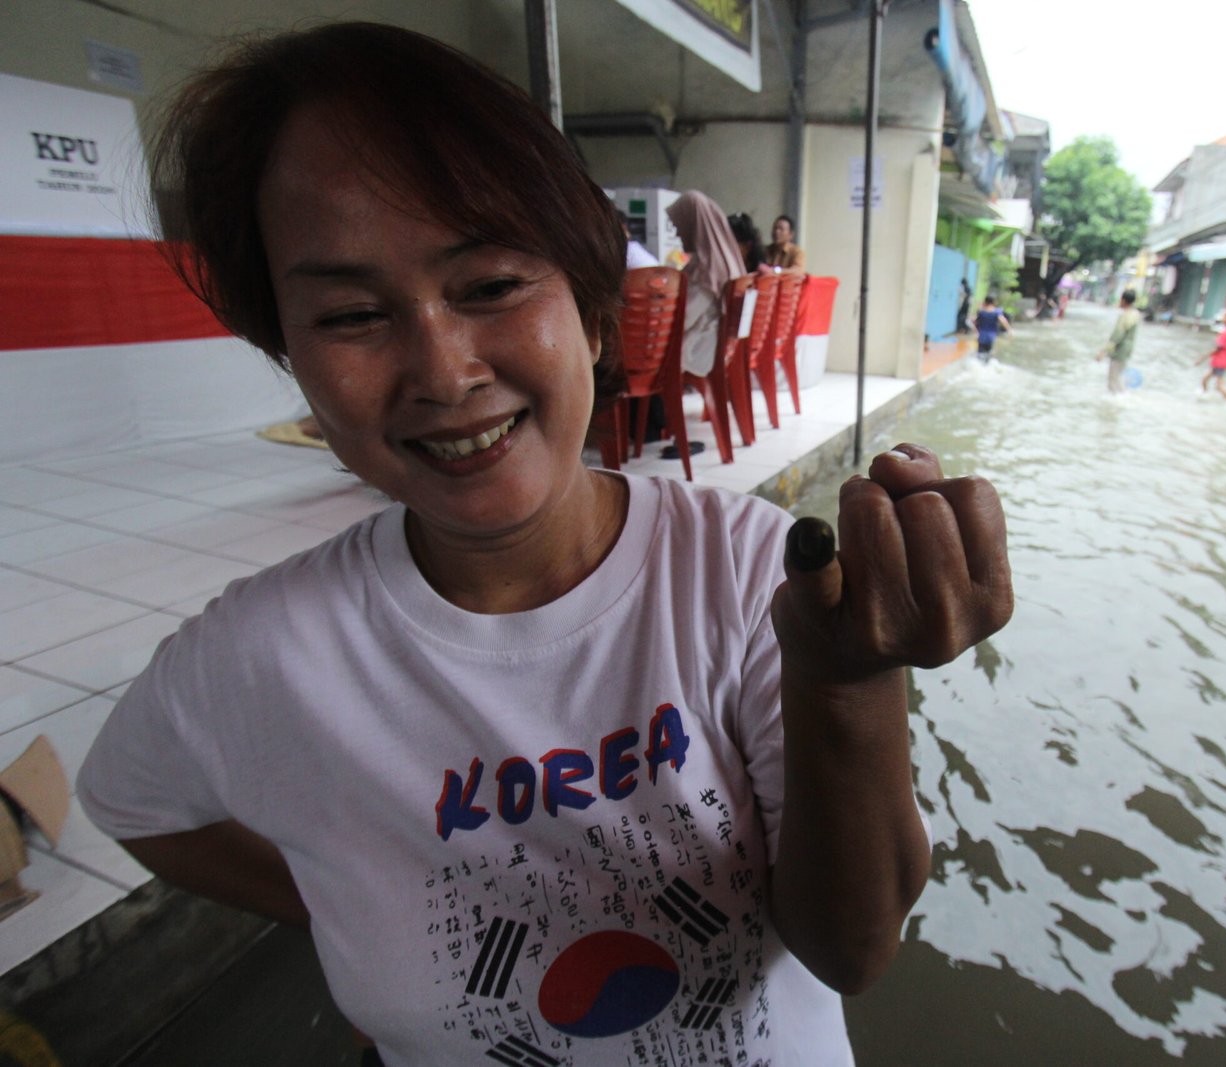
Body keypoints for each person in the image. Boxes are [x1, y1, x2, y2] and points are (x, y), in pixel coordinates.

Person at [73, 24, 1013, 1067]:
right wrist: (347, 904)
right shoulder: (264, 650)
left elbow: (853, 947)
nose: (444, 370)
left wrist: (847, 685)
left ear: (594, 313)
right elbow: (132, 799)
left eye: (489, 287)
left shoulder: (745, 573)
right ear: (288, 356)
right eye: (351, 314)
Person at [665, 190, 744, 379]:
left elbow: (684, 318)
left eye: (679, 226)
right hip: (718, 347)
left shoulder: (707, 269)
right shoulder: (725, 258)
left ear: (693, 225)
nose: (678, 233)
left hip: (697, 351)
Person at [1096, 288, 1140, 393]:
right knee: (1118, 377)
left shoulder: (1126, 316)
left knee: (1113, 380)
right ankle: (1122, 396)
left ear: (1123, 300)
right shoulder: (1135, 314)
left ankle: (1119, 398)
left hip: (1119, 351)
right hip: (1127, 351)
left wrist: (1103, 351)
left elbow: (1117, 336)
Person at [1194, 306, 1226, 401]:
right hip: (1220, 362)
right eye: (1225, 315)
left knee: (1219, 386)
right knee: (1205, 380)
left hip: (1220, 363)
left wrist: (1201, 359)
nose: (1224, 317)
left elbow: (1218, 349)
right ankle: (1205, 396)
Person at [973, 295, 1010, 364]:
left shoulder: (981, 312)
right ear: (994, 302)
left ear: (985, 302)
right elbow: (1003, 321)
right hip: (990, 336)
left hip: (981, 336)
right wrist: (1009, 330)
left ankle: (979, 365)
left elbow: (975, 322)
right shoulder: (996, 312)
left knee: (980, 354)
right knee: (988, 354)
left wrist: (976, 332)